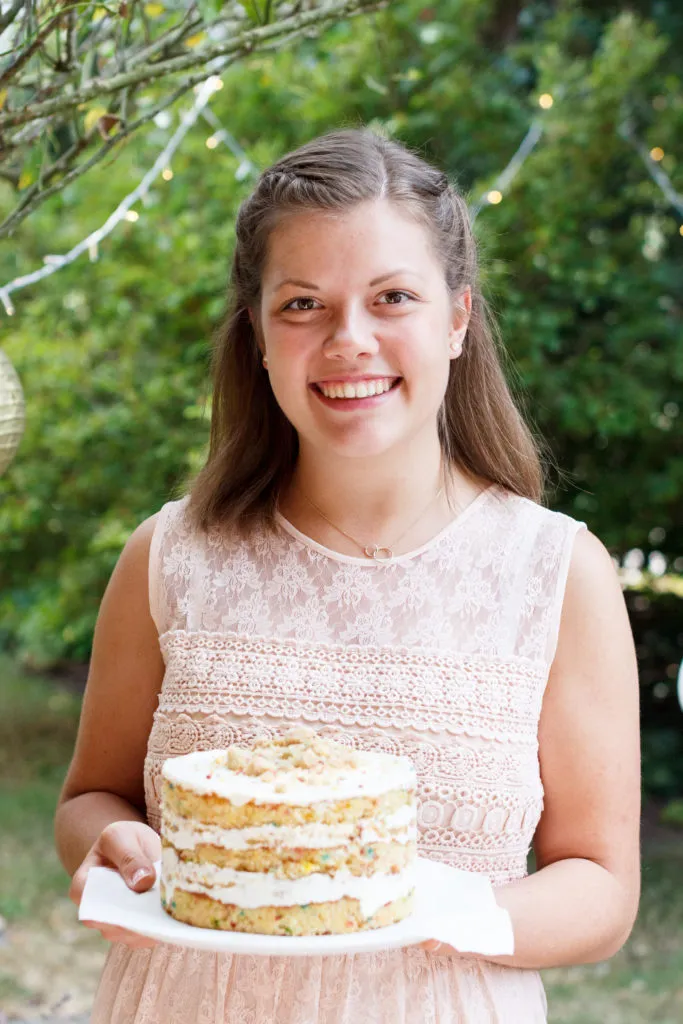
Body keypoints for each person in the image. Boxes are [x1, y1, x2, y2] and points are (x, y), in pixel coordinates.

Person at [55, 127, 641, 1023]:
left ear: (455, 319)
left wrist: (446, 913)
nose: (348, 340)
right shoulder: (169, 556)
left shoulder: (557, 574)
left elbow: (599, 886)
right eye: (302, 305)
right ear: (256, 332)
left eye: (392, 297)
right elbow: (90, 800)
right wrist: (112, 843)